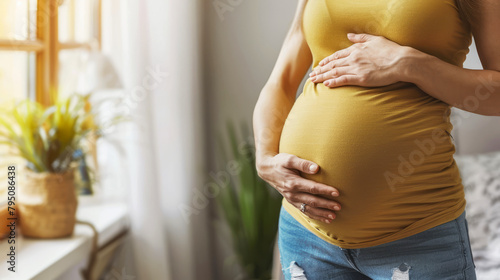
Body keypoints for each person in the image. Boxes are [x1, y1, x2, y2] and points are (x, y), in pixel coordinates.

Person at [253, 0, 500, 279]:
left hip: (419, 237)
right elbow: (282, 80)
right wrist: (264, 158)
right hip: (306, 235)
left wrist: (411, 64)